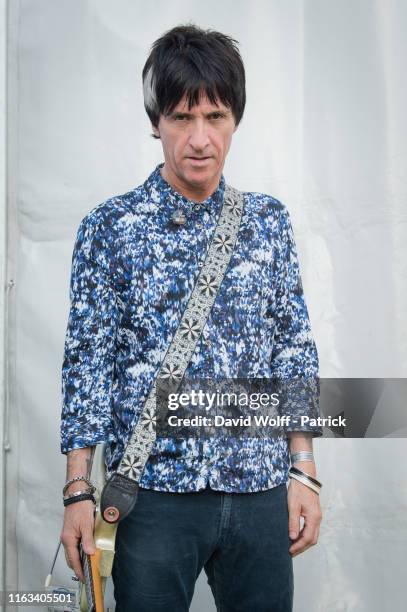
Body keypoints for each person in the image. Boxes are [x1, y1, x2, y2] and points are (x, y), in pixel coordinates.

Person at [60, 23, 323, 612]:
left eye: (215, 116)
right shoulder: (110, 229)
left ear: (235, 120)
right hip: (152, 496)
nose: (199, 138)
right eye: (181, 118)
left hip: (257, 489)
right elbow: (88, 363)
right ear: (156, 121)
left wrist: (303, 470)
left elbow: (292, 350)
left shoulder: (267, 222)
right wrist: (78, 489)